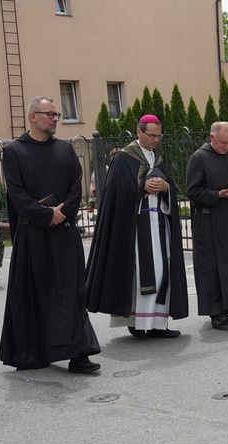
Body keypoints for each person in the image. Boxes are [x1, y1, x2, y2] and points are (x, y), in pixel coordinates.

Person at [0, 96, 101, 373]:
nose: (56, 118)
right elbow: (17, 194)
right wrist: (46, 215)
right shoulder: (14, 152)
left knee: (71, 293)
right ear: (33, 117)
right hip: (33, 236)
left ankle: (79, 353)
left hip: (64, 234)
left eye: (57, 114)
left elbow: (74, 185)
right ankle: (33, 353)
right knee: (35, 293)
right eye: (50, 114)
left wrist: (64, 212)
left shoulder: (66, 150)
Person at [86, 115, 188, 338]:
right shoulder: (124, 158)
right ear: (139, 132)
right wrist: (142, 187)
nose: (155, 140)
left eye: (158, 136)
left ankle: (158, 323)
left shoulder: (157, 158)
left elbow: (172, 188)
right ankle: (138, 323)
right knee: (140, 275)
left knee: (162, 272)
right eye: (151, 135)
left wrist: (165, 188)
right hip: (135, 227)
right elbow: (116, 193)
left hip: (159, 225)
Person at [185, 121, 228, 329]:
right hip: (208, 220)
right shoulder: (198, 158)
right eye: (223, 142)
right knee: (210, 266)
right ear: (212, 137)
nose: (226, 147)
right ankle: (215, 311)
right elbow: (192, 191)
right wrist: (217, 194)